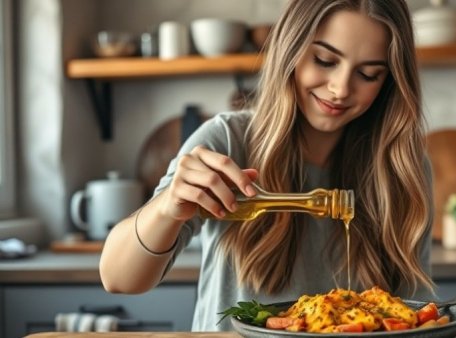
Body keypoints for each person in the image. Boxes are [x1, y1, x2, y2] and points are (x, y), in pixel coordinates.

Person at [100, 0, 433, 332]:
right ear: (290, 48)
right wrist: (166, 209)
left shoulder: (402, 166)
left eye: (368, 74)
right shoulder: (227, 141)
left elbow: (414, 316)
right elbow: (118, 279)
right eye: (324, 60)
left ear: (390, 80)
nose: (341, 88)